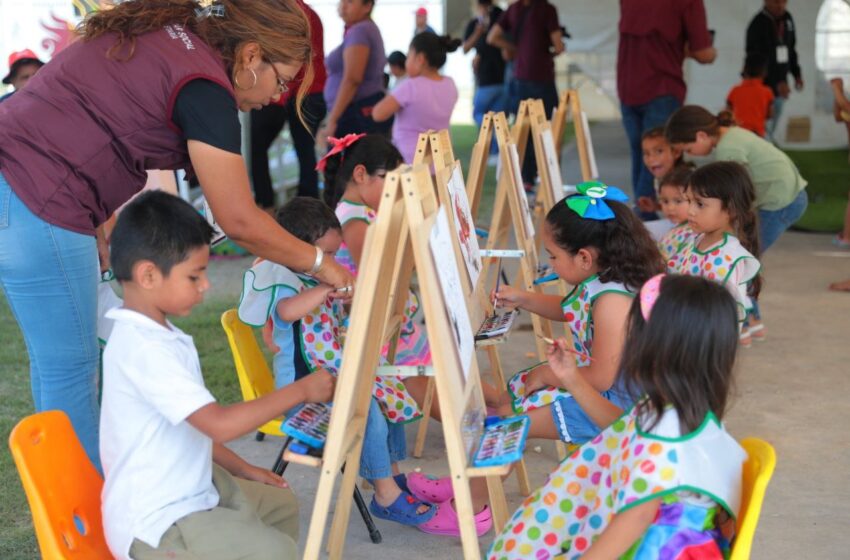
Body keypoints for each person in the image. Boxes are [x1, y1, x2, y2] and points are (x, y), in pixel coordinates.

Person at [0, 0, 353, 471]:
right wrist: (320, 263)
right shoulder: (204, 85)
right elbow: (240, 220)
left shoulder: (175, 35)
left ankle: (74, 511)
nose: (279, 96)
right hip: (36, 195)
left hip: (24, 186)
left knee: (59, 371)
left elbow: (97, 116)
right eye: (282, 79)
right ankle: (89, 528)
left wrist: (99, 224)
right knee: (72, 376)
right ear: (250, 57)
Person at [100, 191, 336, 560]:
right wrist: (302, 389)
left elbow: (190, 427)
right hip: (159, 520)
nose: (206, 285)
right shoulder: (144, 348)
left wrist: (243, 468)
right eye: (195, 275)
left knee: (280, 504)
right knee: (273, 551)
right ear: (148, 275)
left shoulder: (161, 336)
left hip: (191, 485)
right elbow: (218, 425)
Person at [488, 274, 746, 560]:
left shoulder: (665, 433)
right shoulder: (687, 409)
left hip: (655, 549)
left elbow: (635, 519)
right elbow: (621, 427)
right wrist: (571, 378)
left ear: (658, 350)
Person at [239, 196, 436, 529]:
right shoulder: (282, 278)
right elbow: (287, 312)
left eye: (334, 253)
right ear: (299, 250)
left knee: (387, 389)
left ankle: (391, 476)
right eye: (326, 255)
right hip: (301, 391)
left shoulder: (317, 278)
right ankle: (386, 495)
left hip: (330, 379)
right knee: (367, 405)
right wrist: (325, 291)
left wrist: (342, 302)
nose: (332, 262)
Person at [493, 182, 665, 444]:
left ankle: (467, 483)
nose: (550, 263)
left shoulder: (613, 302)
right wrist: (524, 299)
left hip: (623, 407)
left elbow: (600, 379)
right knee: (516, 393)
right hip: (607, 388)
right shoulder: (607, 276)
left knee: (506, 421)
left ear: (584, 258)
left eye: (553, 256)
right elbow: (571, 309)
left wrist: (547, 375)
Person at [617, 0, 715, 220]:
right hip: (662, 86)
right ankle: (650, 225)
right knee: (661, 156)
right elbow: (703, 52)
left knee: (642, 156)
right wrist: (708, 52)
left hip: (627, 87)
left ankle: (646, 222)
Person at [666, 106, 807, 253]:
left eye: (688, 150)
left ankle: (746, 275)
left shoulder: (728, 150)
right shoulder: (732, 133)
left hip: (782, 202)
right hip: (791, 193)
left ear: (701, 136)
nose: (691, 154)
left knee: (745, 253)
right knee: (744, 249)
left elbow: (734, 193)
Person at [666, 162, 762, 345]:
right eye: (689, 201)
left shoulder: (728, 258)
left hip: (701, 345)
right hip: (679, 334)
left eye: (700, 204)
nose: (691, 211)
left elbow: (727, 317)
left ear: (731, 210)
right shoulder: (697, 238)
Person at [250, 0, 327, 208]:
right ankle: (306, 202)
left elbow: (290, 61)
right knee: (305, 149)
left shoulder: (290, 15)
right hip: (312, 92)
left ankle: (297, 204)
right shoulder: (310, 14)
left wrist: (280, 92)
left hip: (303, 92)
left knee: (301, 149)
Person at [487, 0, 565, 189]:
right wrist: (551, 52)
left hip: (520, 79)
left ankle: (527, 178)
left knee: (524, 130)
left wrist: (516, 49)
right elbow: (559, 45)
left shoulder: (513, 10)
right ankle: (550, 178)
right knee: (549, 129)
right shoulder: (547, 9)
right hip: (543, 78)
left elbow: (492, 37)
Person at [372, 33, 461, 164]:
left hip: (410, 163)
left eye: (408, 56)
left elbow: (378, 114)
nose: (406, 62)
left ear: (420, 59)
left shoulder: (410, 86)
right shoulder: (450, 84)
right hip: (442, 161)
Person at [321, 0, 391, 139]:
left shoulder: (360, 31)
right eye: (342, 1)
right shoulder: (364, 29)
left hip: (354, 114)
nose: (343, 6)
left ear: (367, 6)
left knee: (350, 160)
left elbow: (353, 79)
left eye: (350, 1)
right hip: (357, 111)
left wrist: (333, 119)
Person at [746, 0, 804, 141]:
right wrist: (775, 82)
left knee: (774, 118)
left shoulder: (788, 19)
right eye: (776, 2)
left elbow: (791, 50)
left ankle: (767, 142)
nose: (780, 6)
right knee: (762, 122)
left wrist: (796, 74)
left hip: (780, 84)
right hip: (762, 85)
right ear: (766, 1)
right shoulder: (757, 23)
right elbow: (755, 60)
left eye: (784, 2)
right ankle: (763, 145)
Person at [463, 0, 506, 128]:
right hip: (484, 78)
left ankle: (494, 143)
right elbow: (465, 48)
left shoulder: (500, 19)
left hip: (499, 77)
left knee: (482, 115)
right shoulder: (474, 24)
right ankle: (493, 142)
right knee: (493, 119)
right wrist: (478, 32)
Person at [635, 126, 682, 216]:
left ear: (676, 152)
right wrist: (656, 207)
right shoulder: (658, 180)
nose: (651, 159)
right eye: (646, 153)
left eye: (659, 151)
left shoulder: (687, 181)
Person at [727, 52, 775, 138]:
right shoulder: (767, 92)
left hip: (738, 133)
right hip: (757, 133)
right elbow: (770, 114)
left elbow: (728, 113)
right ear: (764, 72)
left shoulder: (735, 90)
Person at [656, 165, 696, 260]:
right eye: (665, 201)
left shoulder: (693, 233)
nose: (670, 208)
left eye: (678, 201)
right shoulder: (680, 228)